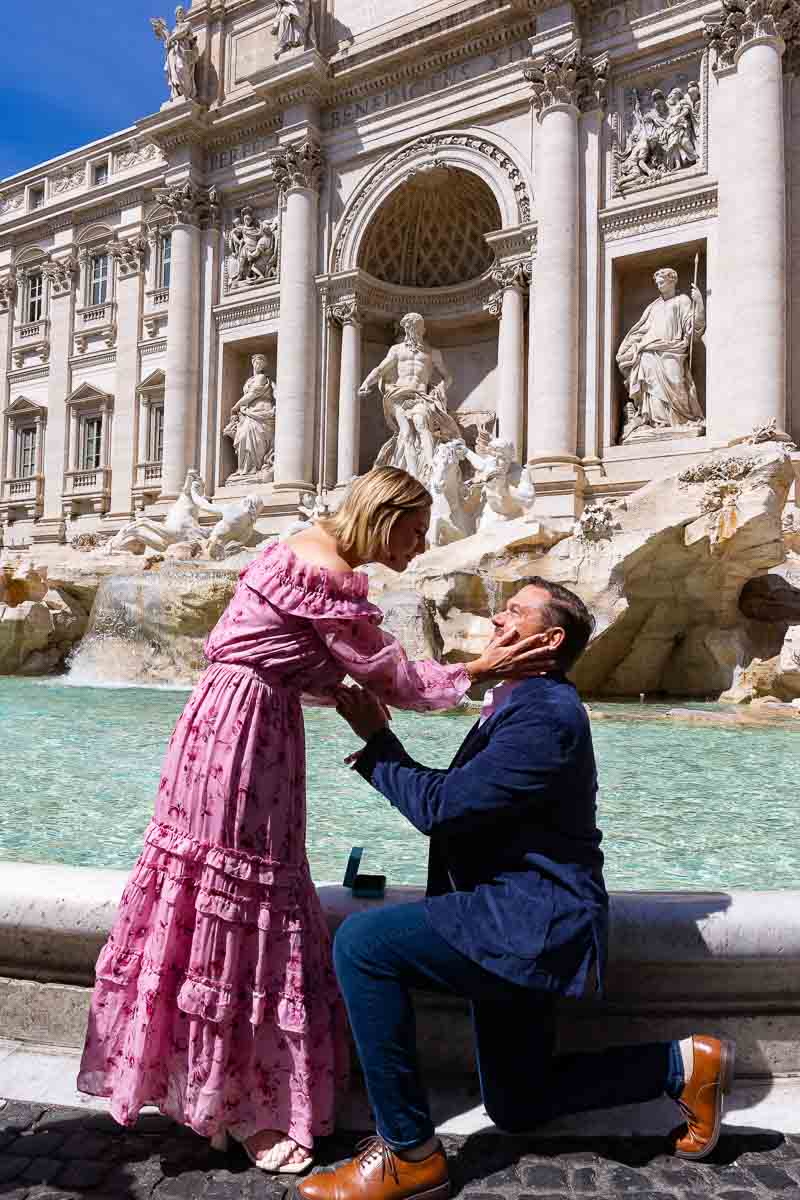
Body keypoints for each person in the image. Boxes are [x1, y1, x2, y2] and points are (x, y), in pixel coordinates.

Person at [77, 467, 550, 1175]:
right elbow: (399, 680)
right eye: (416, 530)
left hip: (219, 727)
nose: (421, 545)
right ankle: (241, 1107)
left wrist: (340, 690)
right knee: (245, 906)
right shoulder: (328, 575)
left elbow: (285, 652)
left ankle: (211, 1093)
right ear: (385, 517)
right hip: (246, 743)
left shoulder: (293, 546)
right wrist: (482, 665)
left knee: (211, 897)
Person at [298, 578, 735, 1200]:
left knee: (365, 945)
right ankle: (682, 1066)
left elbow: (444, 809)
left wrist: (379, 745)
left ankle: (408, 1153)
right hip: (516, 911)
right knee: (519, 1103)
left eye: (515, 610)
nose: (497, 615)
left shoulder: (546, 713)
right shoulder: (523, 703)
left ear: (549, 638)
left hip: (528, 918)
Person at [359, 313, 462, 485]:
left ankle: (430, 466)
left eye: (416, 327)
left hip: (421, 396)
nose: (412, 330)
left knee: (421, 423)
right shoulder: (397, 350)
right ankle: (413, 476)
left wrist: (440, 390)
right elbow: (380, 369)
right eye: (409, 327)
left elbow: (448, 377)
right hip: (399, 395)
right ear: (405, 329)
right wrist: (366, 383)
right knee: (406, 432)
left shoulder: (432, 353)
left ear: (423, 330)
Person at [617, 267, 706, 438]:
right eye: (657, 282)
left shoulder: (682, 301)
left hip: (673, 350)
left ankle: (681, 420)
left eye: (662, 281)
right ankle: (656, 422)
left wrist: (699, 303)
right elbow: (640, 330)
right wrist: (631, 347)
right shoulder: (653, 307)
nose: (659, 285)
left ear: (672, 280)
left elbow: (693, 328)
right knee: (651, 388)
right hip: (648, 352)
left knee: (677, 382)